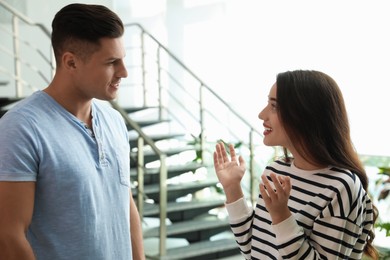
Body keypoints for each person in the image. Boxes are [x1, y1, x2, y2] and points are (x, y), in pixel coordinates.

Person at [0, 3, 145, 260]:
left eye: (122, 60)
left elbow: (126, 206)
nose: (123, 72)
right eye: (112, 62)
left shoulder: (114, 121)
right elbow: (9, 236)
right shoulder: (21, 127)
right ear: (71, 62)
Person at [213, 70, 378, 260]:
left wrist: (281, 216)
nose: (261, 114)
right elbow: (252, 250)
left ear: (304, 114)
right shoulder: (275, 170)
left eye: (274, 106)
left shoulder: (342, 188)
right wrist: (232, 188)